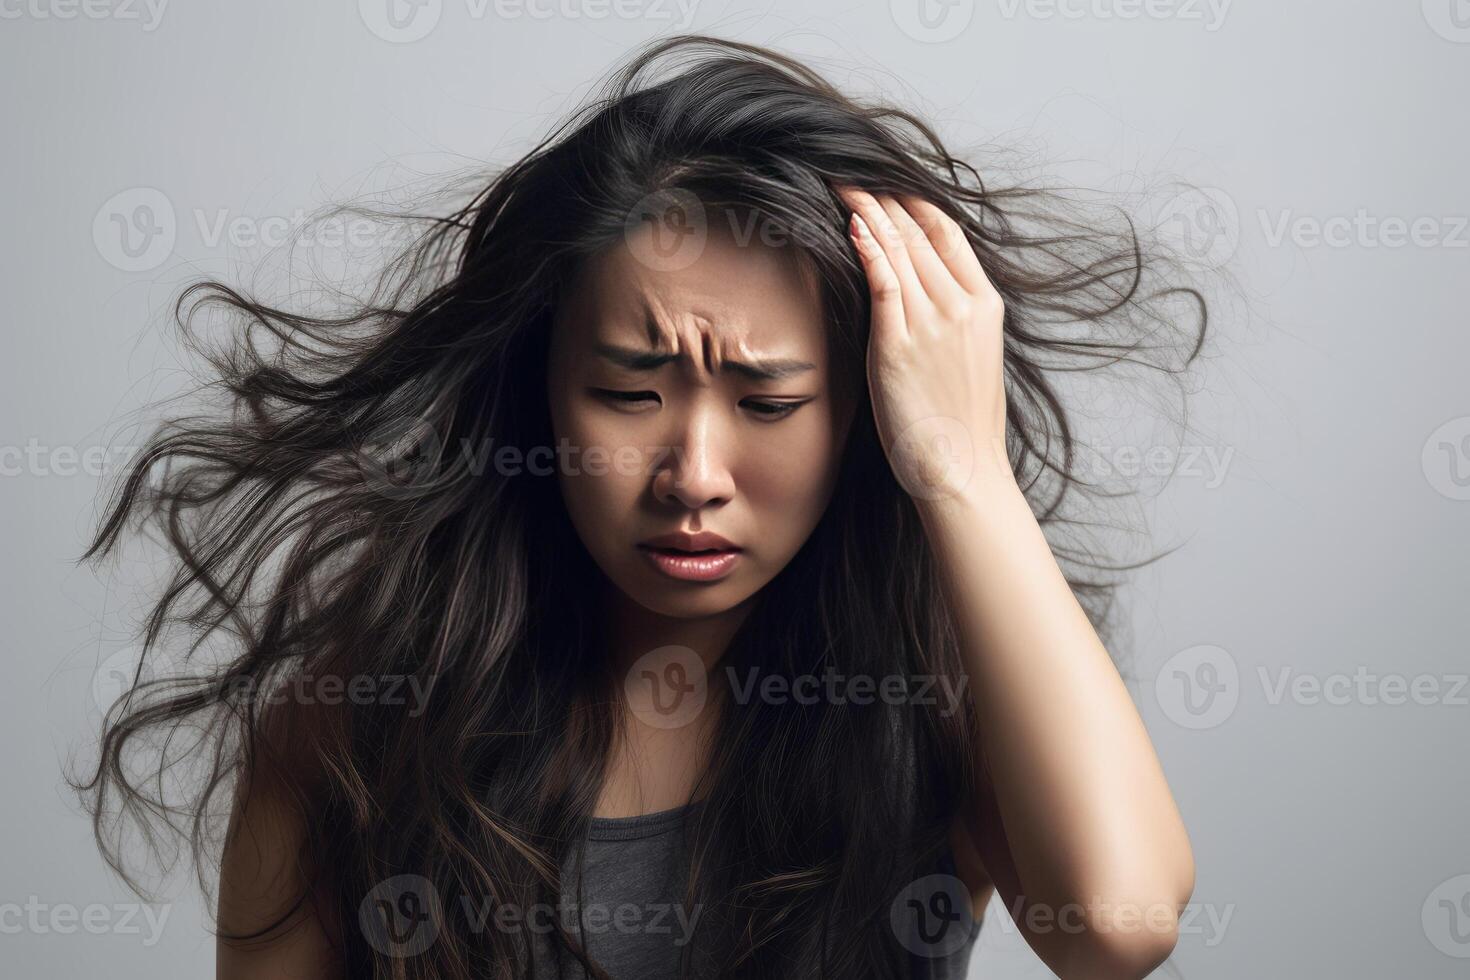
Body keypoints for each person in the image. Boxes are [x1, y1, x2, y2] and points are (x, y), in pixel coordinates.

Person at [76, 34, 1202, 980]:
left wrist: (964, 467)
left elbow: (1120, 923)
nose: (694, 473)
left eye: (769, 400)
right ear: (539, 384)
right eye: (627, 393)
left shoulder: (937, 685)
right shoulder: (357, 729)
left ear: (866, 411)